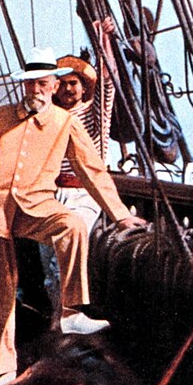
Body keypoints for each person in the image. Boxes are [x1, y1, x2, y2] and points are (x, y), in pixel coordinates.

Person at [0, 46, 145, 385]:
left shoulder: (65, 122)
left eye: (42, 83)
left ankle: (72, 312)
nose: (35, 90)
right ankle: (3, 368)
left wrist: (120, 216)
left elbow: (92, 170)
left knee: (73, 225)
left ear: (52, 85)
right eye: (30, 84)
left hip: (37, 206)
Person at [53, 17, 117, 234]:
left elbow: (107, 81)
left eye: (73, 83)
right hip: (53, 192)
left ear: (83, 88)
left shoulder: (94, 111)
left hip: (84, 192)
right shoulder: (49, 117)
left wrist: (104, 41)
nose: (67, 89)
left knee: (70, 238)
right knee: (49, 256)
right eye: (61, 84)